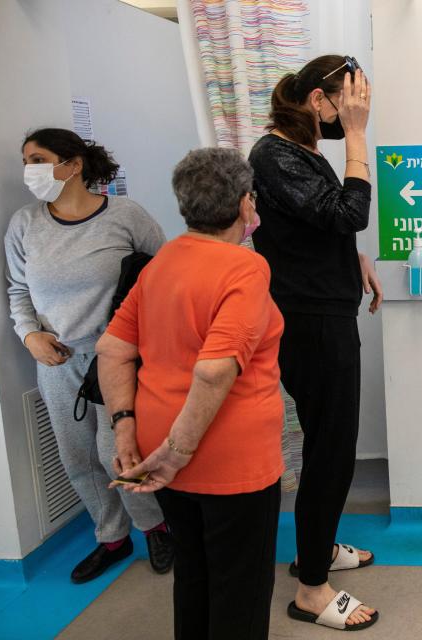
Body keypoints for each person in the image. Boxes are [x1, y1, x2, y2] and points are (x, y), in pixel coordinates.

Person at [99, 148, 285, 640]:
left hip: (158, 451)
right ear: (246, 205)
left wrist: (126, 433)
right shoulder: (245, 269)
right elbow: (215, 371)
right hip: (227, 462)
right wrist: (177, 453)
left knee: (195, 574)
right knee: (239, 590)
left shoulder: (161, 264)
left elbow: (113, 350)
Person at [4, 128, 173, 583]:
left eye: (38, 159)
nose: (29, 170)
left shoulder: (125, 215)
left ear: (73, 165)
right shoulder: (25, 225)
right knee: (77, 456)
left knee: (115, 449)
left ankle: (155, 527)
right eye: (26, 161)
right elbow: (18, 290)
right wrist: (29, 336)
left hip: (117, 355)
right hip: (58, 359)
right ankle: (111, 539)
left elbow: (166, 276)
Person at [247, 54, 380, 630]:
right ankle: (311, 590)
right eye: (346, 103)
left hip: (323, 308)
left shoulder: (297, 152)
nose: (352, 113)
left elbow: (313, 227)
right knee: (332, 447)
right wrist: (356, 136)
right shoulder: (274, 153)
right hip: (310, 320)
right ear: (316, 100)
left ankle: (315, 550)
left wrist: (351, 260)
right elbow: (351, 211)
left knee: (332, 443)